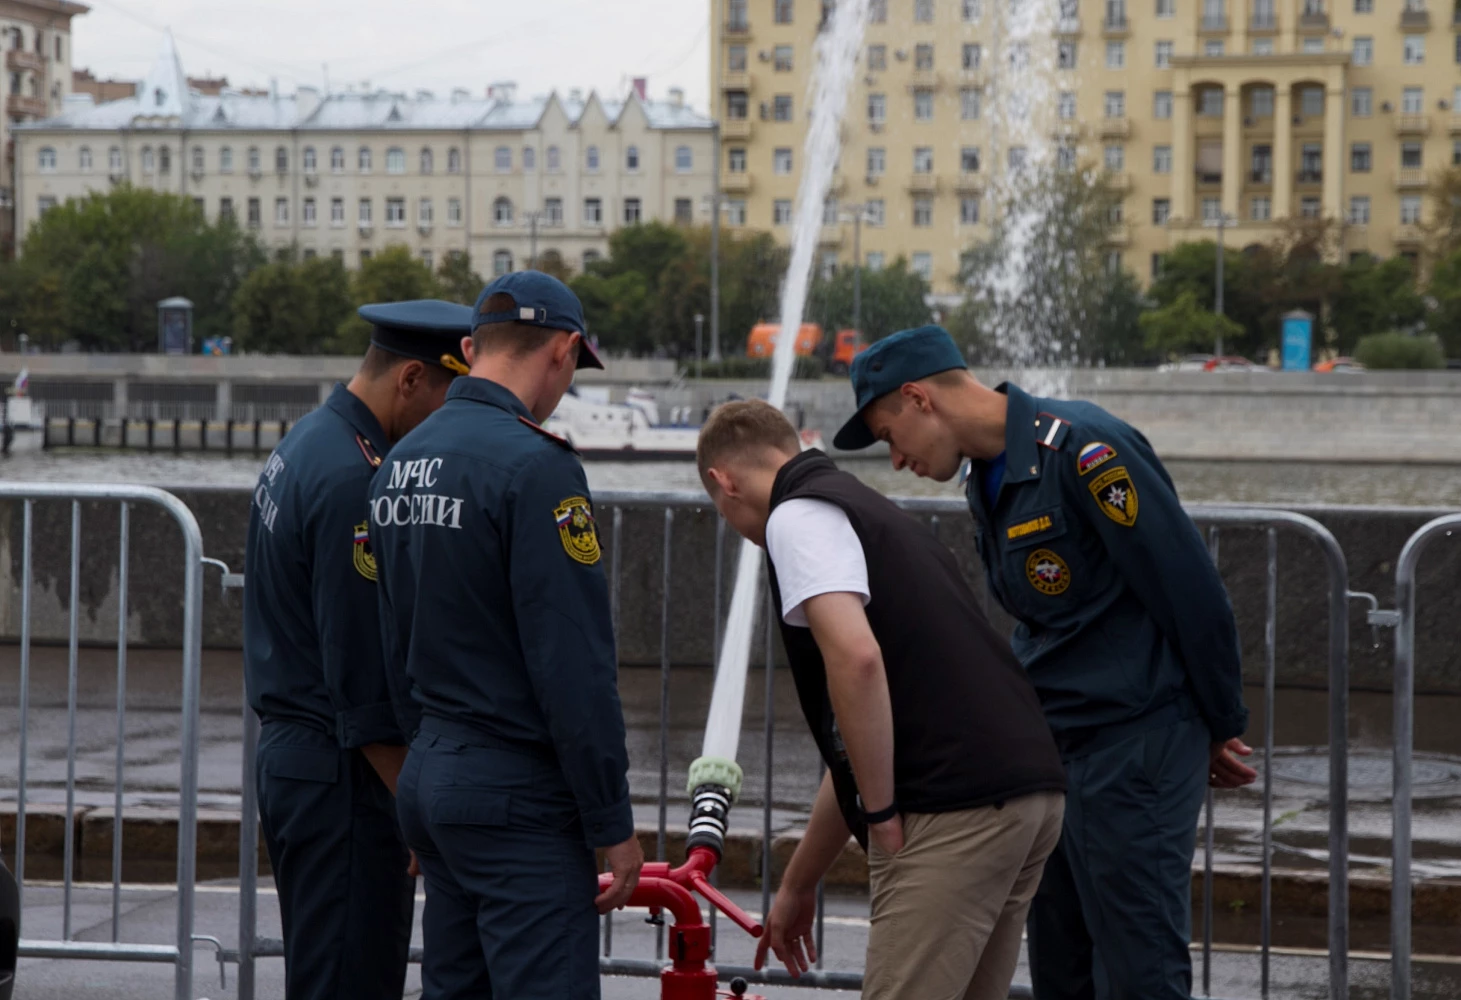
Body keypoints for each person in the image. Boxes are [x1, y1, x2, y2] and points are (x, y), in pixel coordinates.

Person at [831, 325, 1259, 1000]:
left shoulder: (1084, 449)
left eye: (889, 436)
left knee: (1138, 966)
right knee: (1062, 966)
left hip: (1134, 739)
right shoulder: (991, 478)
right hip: (1055, 748)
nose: (897, 460)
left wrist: (1216, 720)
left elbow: (1188, 589)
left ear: (918, 398)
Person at [697, 399, 1068, 1000]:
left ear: (723, 482)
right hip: (1029, 793)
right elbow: (859, 733)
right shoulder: (864, 509)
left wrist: (881, 813)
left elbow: (857, 661)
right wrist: (799, 882)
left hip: (953, 804)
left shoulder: (795, 517)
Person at [368, 271, 643, 1000]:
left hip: (434, 779)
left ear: (469, 347)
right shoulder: (537, 468)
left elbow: (392, 641)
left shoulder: (397, 465)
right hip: (518, 798)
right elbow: (574, 665)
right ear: (563, 350)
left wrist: (423, 781)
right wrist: (611, 819)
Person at [242, 299, 471, 1000]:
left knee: (327, 972)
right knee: (350, 980)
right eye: (447, 402)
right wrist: (419, 812)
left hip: (300, 761)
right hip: (343, 779)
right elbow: (363, 679)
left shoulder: (310, 441)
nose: (449, 428)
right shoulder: (356, 481)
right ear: (410, 380)